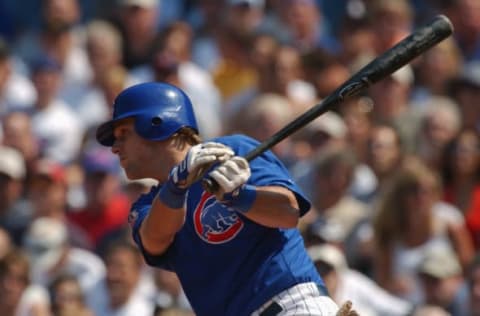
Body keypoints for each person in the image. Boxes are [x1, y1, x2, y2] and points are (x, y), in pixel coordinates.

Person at [95, 82, 351, 315]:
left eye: (123, 134)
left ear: (156, 122)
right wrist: (176, 187)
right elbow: (155, 240)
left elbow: (288, 212)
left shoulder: (233, 151)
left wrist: (239, 196)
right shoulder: (148, 205)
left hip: (289, 306)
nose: (115, 147)